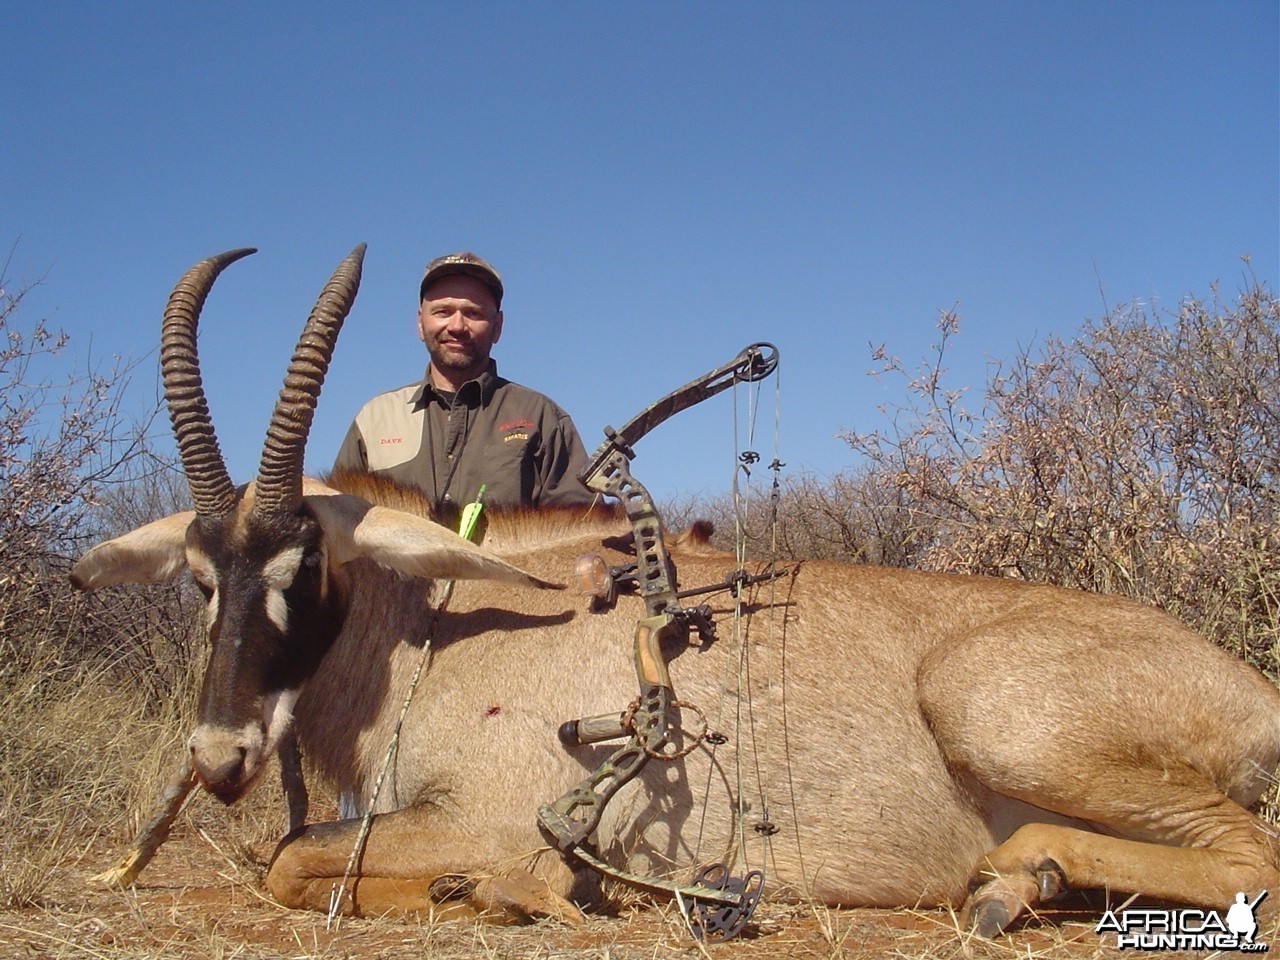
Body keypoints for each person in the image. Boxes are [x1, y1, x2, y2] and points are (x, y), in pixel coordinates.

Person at [332, 251, 595, 513]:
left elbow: (578, 530)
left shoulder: (541, 416)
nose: (457, 326)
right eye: (442, 311)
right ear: (420, 323)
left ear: (498, 326)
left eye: (473, 313)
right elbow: (334, 523)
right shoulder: (374, 419)